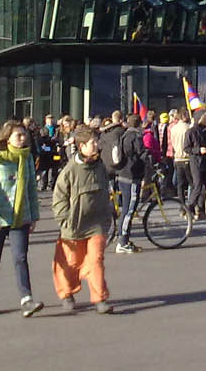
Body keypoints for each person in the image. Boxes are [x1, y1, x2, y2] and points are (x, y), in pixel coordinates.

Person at [0, 120, 44, 317]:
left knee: (20, 257)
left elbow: (31, 189)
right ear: (7, 138)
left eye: (24, 135)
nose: (23, 139)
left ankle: (27, 300)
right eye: (18, 135)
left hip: (20, 217)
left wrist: (34, 216)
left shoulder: (26, 158)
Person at [51, 125, 115, 314]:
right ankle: (67, 294)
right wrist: (65, 220)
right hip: (74, 226)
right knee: (70, 262)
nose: (97, 146)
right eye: (92, 143)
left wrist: (108, 214)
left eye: (96, 142)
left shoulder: (100, 167)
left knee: (96, 260)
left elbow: (105, 191)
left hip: (97, 225)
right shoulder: (70, 170)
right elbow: (59, 198)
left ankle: (100, 298)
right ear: (81, 146)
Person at [112, 113, 147, 254]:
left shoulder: (124, 135)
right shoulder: (135, 137)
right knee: (129, 210)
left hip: (122, 174)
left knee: (126, 209)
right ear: (139, 124)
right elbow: (141, 155)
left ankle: (124, 238)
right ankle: (122, 241)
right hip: (132, 176)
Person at [185, 110, 206, 220]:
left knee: (203, 187)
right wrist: (198, 150)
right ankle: (189, 208)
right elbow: (187, 148)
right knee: (198, 185)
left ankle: (200, 209)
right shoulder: (191, 131)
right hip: (196, 161)